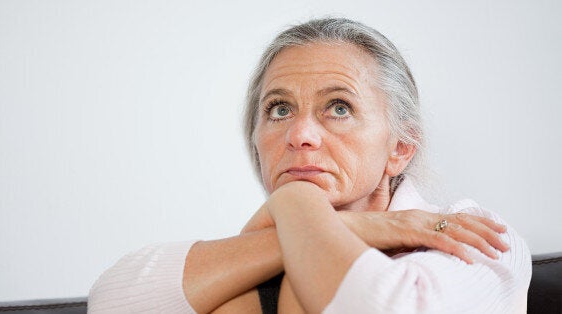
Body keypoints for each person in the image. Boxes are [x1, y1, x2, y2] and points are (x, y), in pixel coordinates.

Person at [88, 18, 531, 313]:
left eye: (338, 107)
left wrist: (298, 203)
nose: (300, 134)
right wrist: (357, 226)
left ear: (401, 146)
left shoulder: (481, 236)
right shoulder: (253, 261)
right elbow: (110, 301)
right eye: (279, 110)